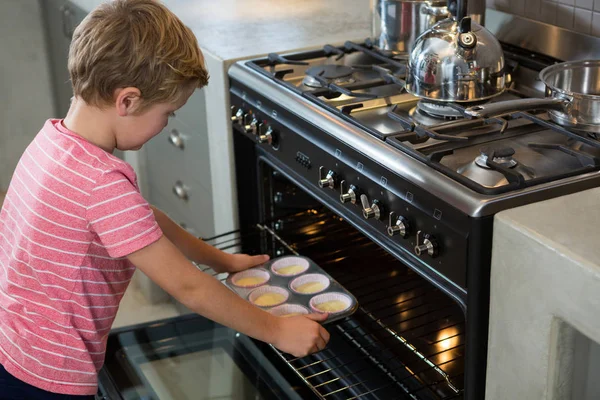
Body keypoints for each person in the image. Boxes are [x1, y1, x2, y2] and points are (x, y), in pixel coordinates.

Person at [0, 0, 330, 398]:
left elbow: (144, 220)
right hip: (49, 373)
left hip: (13, 342)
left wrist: (221, 261)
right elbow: (188, 288)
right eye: (168, 112)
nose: (166, 123)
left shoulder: (53, 142)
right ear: (128, 100)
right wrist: (276, 329)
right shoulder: (101, 184)